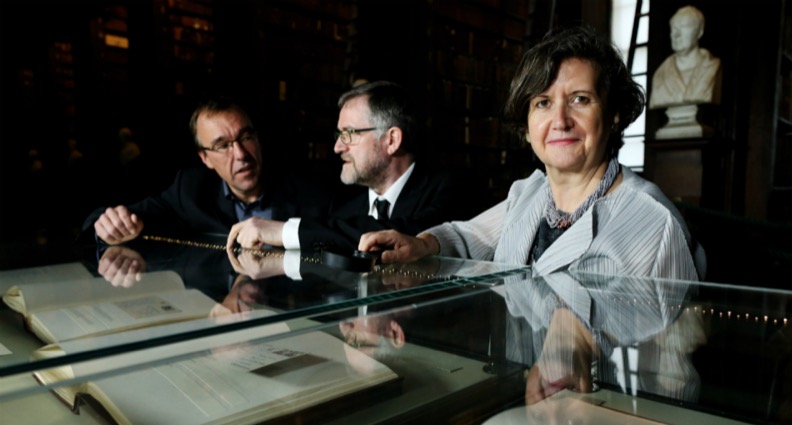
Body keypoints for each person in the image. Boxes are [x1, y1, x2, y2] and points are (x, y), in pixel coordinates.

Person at [359, 25, 705, 281]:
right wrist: (422, 244)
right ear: (526, 124)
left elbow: (670, 370)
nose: (560, 121)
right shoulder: (529, 193)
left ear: (613, 114)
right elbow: (470, 236)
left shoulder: (655, 223)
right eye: (542, 102)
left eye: (580, 99)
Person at [226, 80, 475, 253]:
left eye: (349, 134)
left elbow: (397, 233)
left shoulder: (451, 190)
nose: (337, 147)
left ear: (391, 140)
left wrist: (286, 232)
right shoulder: (344, 210)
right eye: (339, 134)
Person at [82, 97, 329, 245]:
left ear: (258, 140)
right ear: (205, 158)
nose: (241, 154)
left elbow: (334, 244)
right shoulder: (189, 191)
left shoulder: (306, 191)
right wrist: (104, 224)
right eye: (222, 146)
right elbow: (120, 219)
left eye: (246, 138)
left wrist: (286, 234)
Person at [649, 5, 721, 108]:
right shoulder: (660, 75)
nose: (676, 34)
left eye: (684, 26)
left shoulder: (712, 68)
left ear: (700, 31)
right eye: (673, 28)